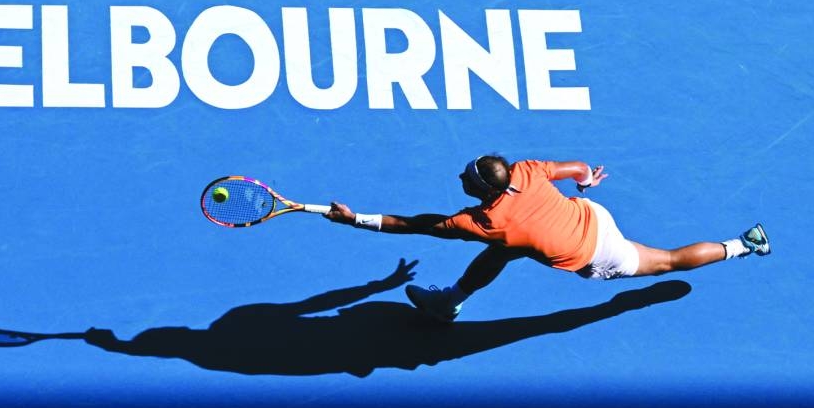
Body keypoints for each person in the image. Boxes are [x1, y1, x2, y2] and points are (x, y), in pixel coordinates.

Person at [323, 155, 770, 322]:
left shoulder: (483, 223)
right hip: (591, 214)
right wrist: (587, 181)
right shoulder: (527, 172)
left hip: (599, 253)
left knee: (668, 261)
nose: (459, 176)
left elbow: (415, 224)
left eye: (466, 177)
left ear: (482, 189)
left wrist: (355, 219)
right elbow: (577, 167)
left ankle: (743, 245)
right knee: (503, 250)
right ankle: (450, 301)